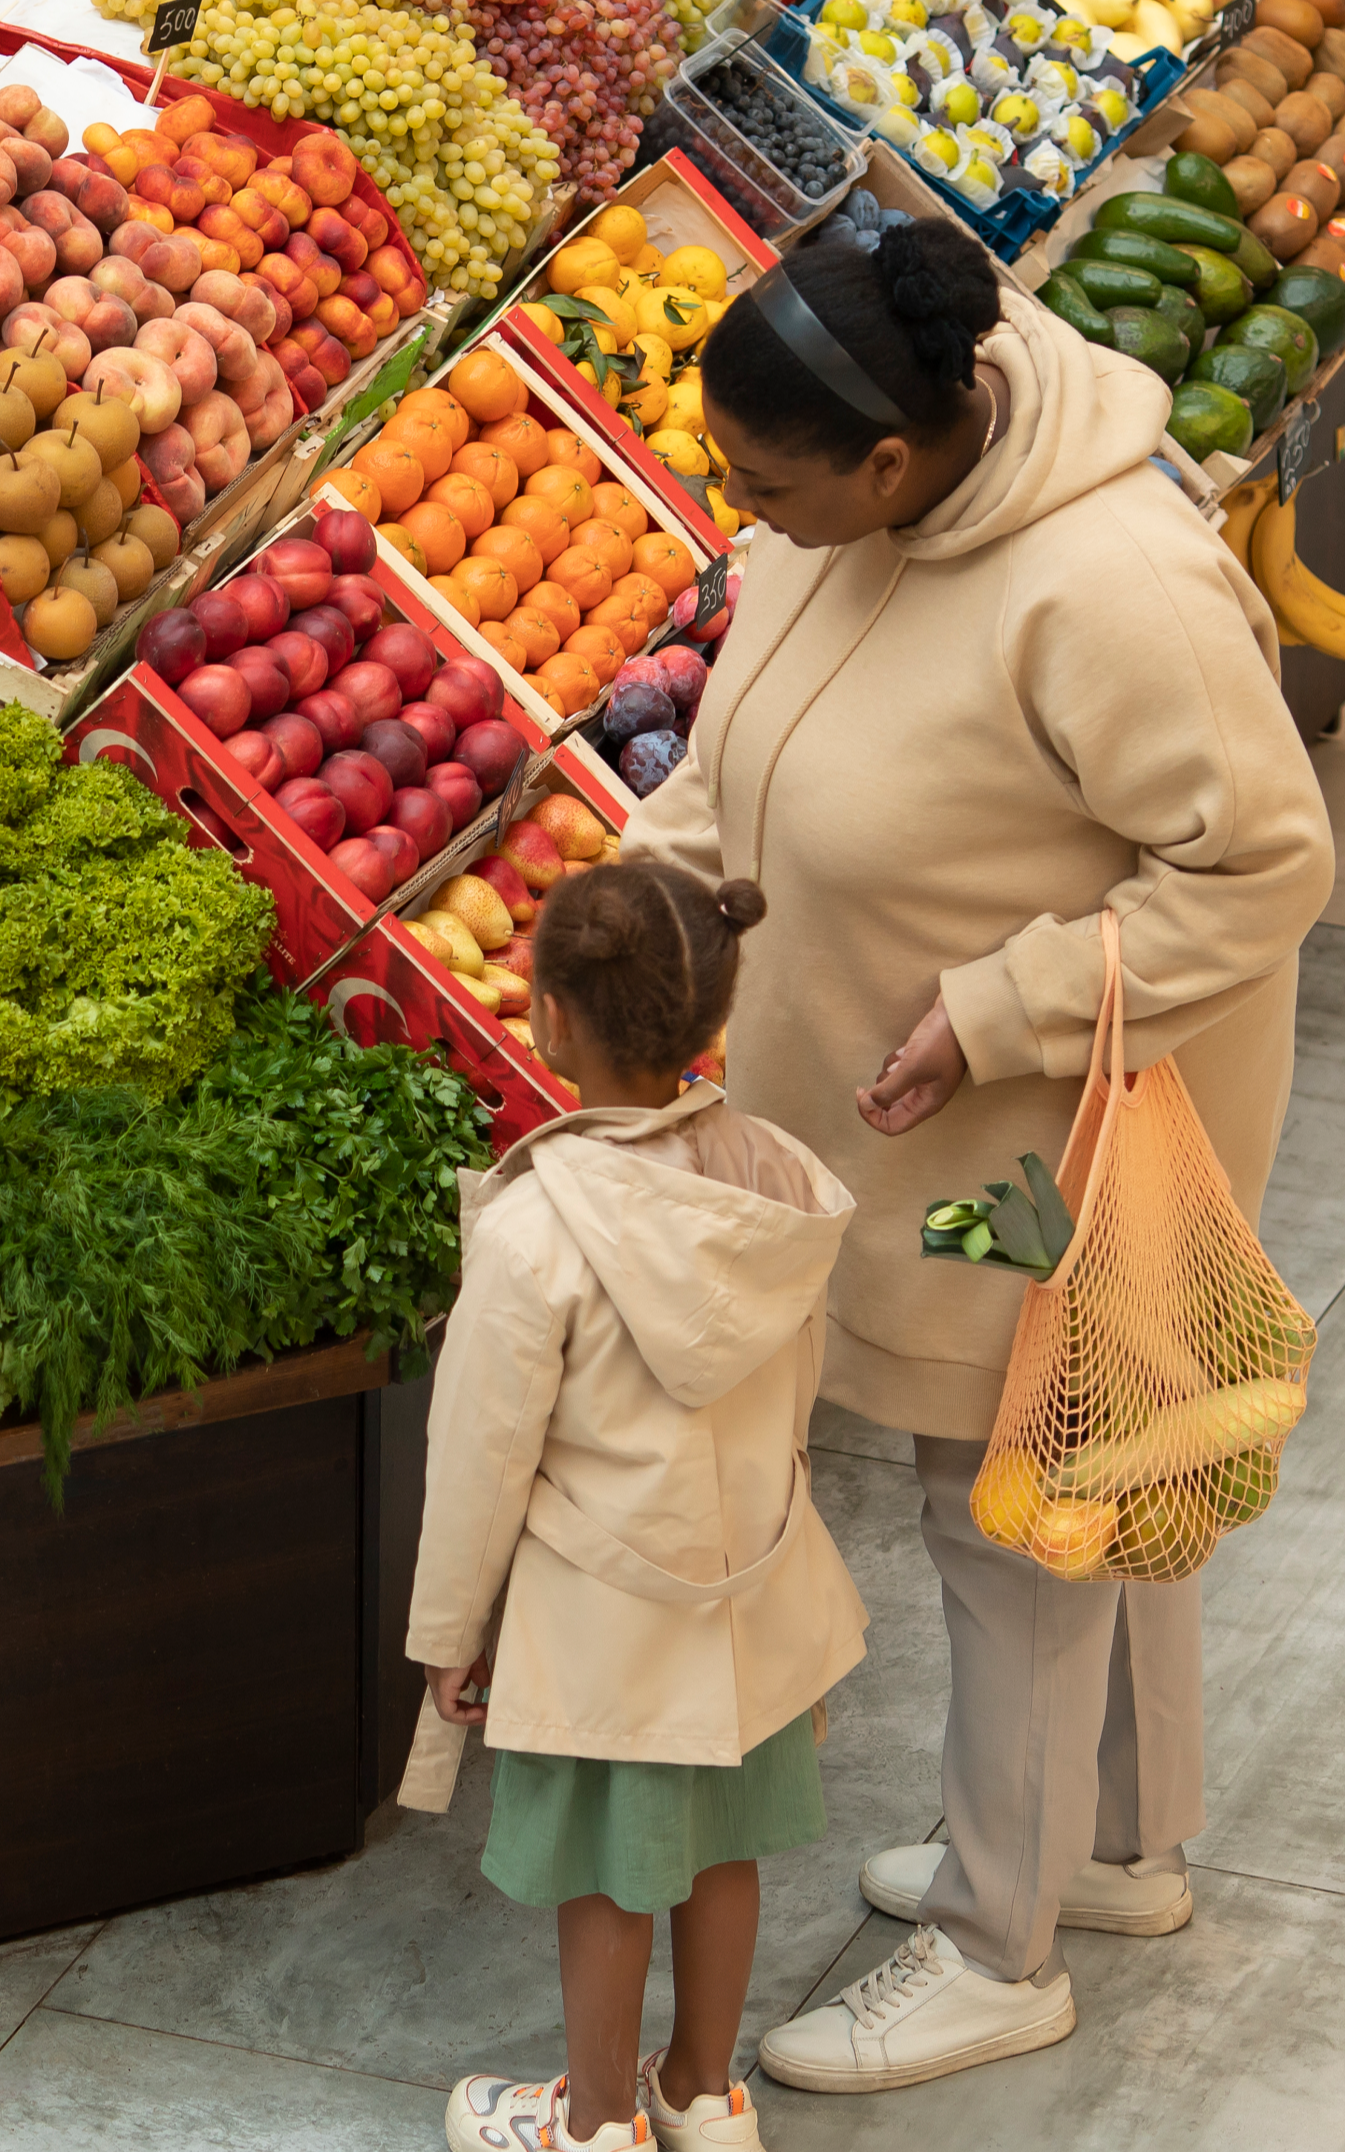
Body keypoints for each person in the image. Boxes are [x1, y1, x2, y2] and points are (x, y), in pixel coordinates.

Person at [615, 214, 1334, 2093]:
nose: (739, 515)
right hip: (940, 1122)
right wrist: (647, 890)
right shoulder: (848, 522)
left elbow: (1265, 864)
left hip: (1046, 1139)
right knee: (1106, 1455)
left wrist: (1002, 1008)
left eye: (766, 484)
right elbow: (749, 746)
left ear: (889, 457)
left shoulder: (1109, 589)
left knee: (1011, 1506)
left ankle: (997, 1947)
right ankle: (1111, 1848)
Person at [403, 861, 866, 2152]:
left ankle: (595, 2122)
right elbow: (798, 1381)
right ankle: (702, 2094)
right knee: (724, 1847)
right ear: (711, 1018)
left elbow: (480, 1451)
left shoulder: (534, 1228)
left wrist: (453, 1629)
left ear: (547, 1017)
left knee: (606, 1873)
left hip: (604, 1621)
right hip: (746, 1597)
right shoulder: (772, 1176)